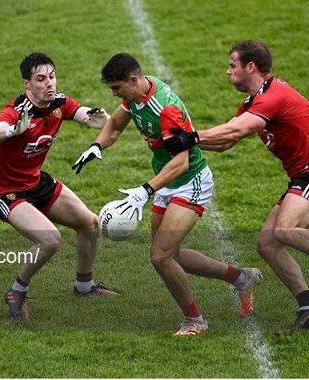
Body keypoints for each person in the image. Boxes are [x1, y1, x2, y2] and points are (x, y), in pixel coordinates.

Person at [164, 40, 309, 329]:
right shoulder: (254, 100)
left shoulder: (273, 95)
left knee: (285, 229)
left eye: (232, 65)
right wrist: (179, 142)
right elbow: (227, 141)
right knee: (267, 244)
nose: (227, 71)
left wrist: (192, 137)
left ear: (250, 66)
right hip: (303, 176)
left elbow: (239, 128)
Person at [72, 52, 262, 336]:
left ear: (133, 80)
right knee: (173, 255)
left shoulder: (166, 109)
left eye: (116, 88)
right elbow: (114, 125)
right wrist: (97, 146)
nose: (114, 95)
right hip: (166, 181)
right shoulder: (136, 95)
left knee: (160, 257)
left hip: (189, 181)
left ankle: (194, 320)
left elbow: (181, 161)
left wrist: (145, 190)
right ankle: (242, 277)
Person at [0, 52, 118, 320]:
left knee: (89, 224)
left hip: (34, 180)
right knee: (49, 239)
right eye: (41, 79)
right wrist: (12, 131)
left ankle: (84, 286)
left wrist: (97, 118)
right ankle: (17, 291)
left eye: (52, 77)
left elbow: (83, 114)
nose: (49, 84)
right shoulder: (16, 112)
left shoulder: (58, 103)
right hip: (5, 192)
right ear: (27, 84)